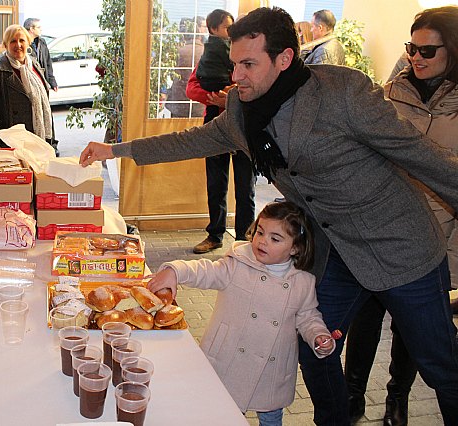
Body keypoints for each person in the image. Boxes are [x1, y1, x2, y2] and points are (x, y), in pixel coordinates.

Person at [80, 7, 458, 425]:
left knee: (440, 364)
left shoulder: (342, 92)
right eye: (234, 64)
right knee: (315, 349)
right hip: (337, 254)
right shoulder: (244, 112)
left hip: (403, 250)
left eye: (248, 64)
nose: (236, 76)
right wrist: (116, 150)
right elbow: (193, 140)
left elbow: (417, 154)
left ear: (284, 59)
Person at [344, 7, 458, 425]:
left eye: (428, 49)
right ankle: (352, 398)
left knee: (412, 329)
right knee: (365, 315)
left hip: (435, 237)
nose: (417, 57)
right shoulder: (392, 93)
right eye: (412, 47)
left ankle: (397, 398)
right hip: (381, 228)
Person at [148, 201, 335, 425]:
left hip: (272, 370)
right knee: (223, 413)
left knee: (271, 417)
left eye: (275, 239)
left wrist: (318, 335)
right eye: (260, 232)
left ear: (295, 247)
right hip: (230, 359)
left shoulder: (303, 282)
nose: (263, 241)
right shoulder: (238, 262)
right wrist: (175, 270)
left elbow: (308, 317)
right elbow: (206, 271)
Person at [186, 64, 255, 254]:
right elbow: (191, 88)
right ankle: (215, 235)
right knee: (216, 185)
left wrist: (232, 100)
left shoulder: (252, 58)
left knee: (246, 188)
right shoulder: (211, 57)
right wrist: (217, 98)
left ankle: (244, 241)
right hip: (216, 129)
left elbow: (261, 89)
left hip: (246, 129)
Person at [0, 24, 53, 148]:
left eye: (22, 40)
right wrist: (1, 131)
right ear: (6, 45)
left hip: (38, 138)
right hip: (12, 142)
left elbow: (44, 102)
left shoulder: (35, 66)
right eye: (13, 41)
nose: (18, 45)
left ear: (28, 43)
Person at [166, 16, 206, 118]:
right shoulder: (205, 52)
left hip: (178, 102)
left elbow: (171, 74)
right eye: (203, 27)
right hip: (199, 103)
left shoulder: (178, 51)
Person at [23, 18, 58, 93]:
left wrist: (52, 81)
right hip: (30, 85)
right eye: (39, 27)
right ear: (31, 29)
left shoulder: (42, 42)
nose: (41, 29)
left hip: (43, 82)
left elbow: (48, 63)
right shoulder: (22, 44)